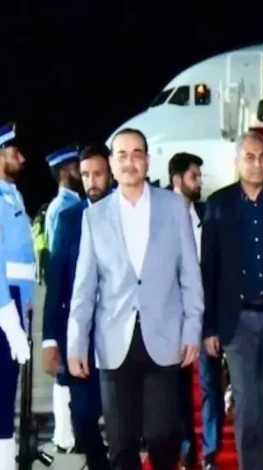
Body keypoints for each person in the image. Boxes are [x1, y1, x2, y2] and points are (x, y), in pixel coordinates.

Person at [67, 128, 203, 470]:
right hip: (113, 343)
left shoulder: (174, 207)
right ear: (112, 164)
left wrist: (192, 330)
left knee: (163, 437)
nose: (130, 162)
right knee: (121, 442)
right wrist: (75, 344)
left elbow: (190, 275)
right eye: (122, 155)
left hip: (164, 338)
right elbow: (84, 288)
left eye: (137, 154)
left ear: (147, 160)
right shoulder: (94, 217)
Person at [201, 131, 263, 470]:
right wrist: (209, 327)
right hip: (237, 319)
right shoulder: (218, 204)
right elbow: (209, 269)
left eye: (262, 157)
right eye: (250, 157)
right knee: (247, 401)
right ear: (237, 162)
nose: (257, 163)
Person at [42, 144, 113, 470]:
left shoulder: (125, 213)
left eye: (97, 174)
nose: (91, 181)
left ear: (110, 173)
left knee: (121, 417)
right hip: (80, 337)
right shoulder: (70, 218)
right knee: (83, 415)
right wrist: (50, 339)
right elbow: (56, 280)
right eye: (85, 175)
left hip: (119, 334)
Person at [168, 152, 224, 470]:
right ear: (177, 179)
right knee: (177, 388)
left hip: (206, 316)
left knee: (210, 384)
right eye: (194, 176)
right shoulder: (160, 217)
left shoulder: (207, 214)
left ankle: (211, 453)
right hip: (173, 317)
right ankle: (187, 449)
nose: (200, 181)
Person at [43, 144, 83, 454]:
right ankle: (64, 434)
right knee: (65, 373)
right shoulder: (63, 208)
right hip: (68, 300)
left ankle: (68, 433)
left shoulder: (69, 204)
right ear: (66, 171)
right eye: (76, 166)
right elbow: (59, 260)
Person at [0, 121, 33, 470]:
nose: (22, 159)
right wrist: (8, 316)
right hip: (3, 304)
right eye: (15, 152)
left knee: (6, 390)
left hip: (15, 301)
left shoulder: (12, 194)